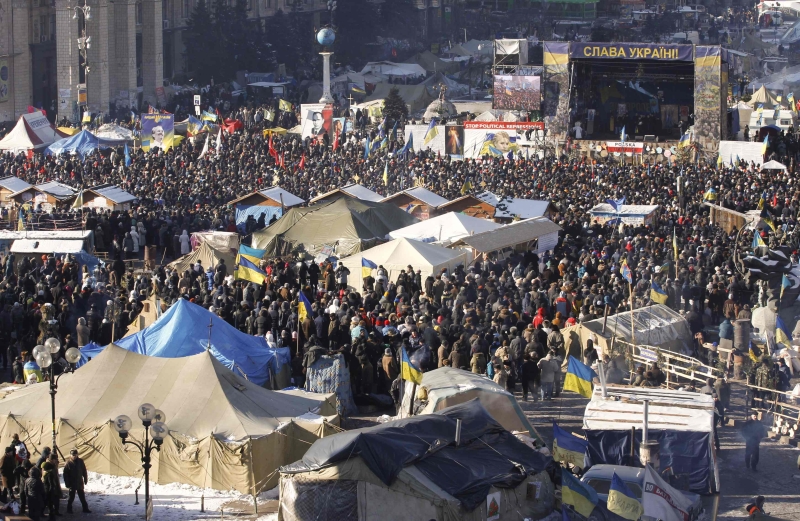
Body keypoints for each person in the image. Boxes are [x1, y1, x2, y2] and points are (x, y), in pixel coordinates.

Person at [63, 449, 90, 514]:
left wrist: (85, 479)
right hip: (72, 483)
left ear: (77, 455)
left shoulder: (80, 461)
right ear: (71, 455)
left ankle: (85, 508)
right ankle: (69, 509)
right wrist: (67, 483)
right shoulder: (68, 463)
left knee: (82, 497)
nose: (74, 456)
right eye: (73, 455)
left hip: (79, 482)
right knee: (71, 497)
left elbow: (84, 470)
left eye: (75, 455)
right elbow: (65, 474)